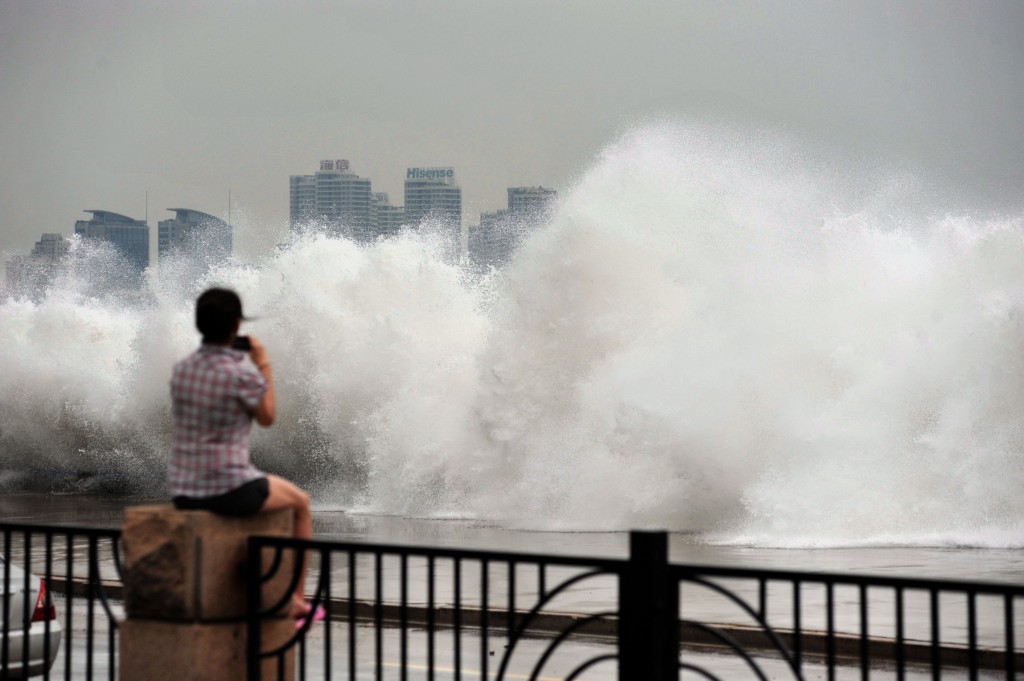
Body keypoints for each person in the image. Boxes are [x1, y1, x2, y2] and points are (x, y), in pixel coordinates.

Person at [169, 287, 321, 625]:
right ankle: (295, 600)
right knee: (300, 503)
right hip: (227, 488)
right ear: (236, 326)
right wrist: (264, 364)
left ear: (200, 325)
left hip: (184, 490)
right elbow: (267, 417)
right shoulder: (242, 374)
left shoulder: (182, 370)